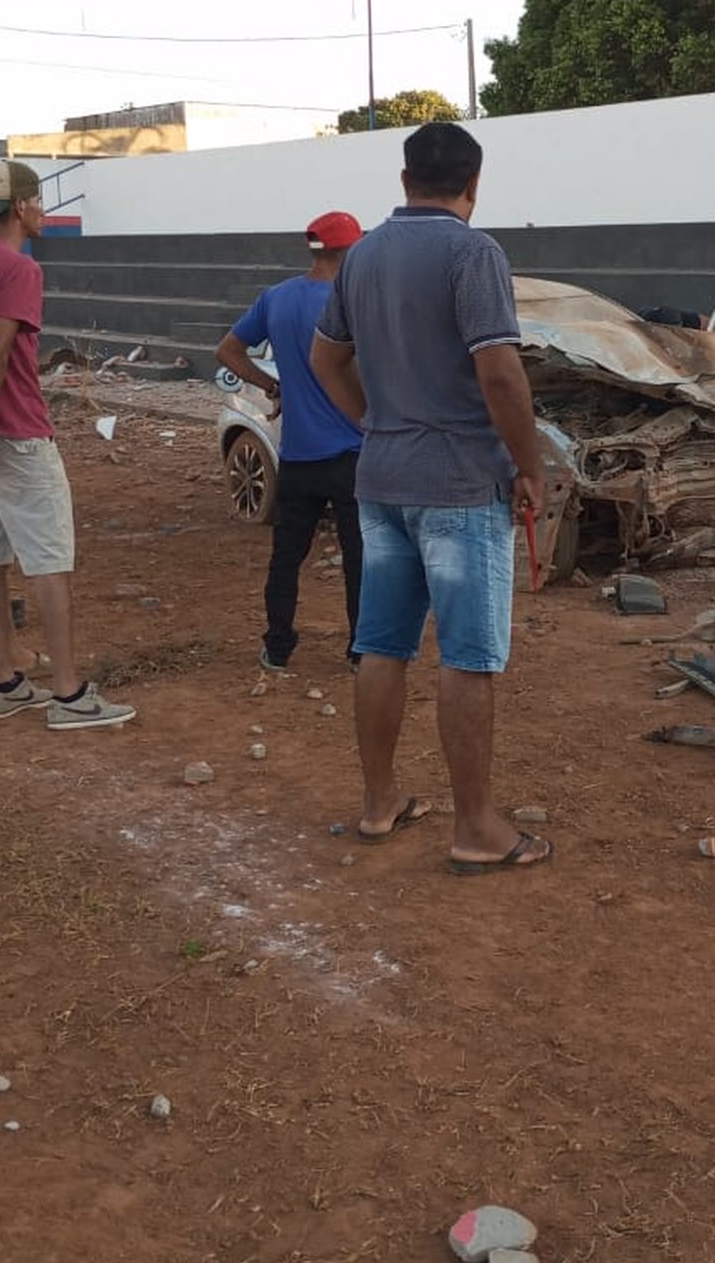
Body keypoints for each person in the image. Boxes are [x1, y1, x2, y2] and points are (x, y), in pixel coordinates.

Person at [311, 122, 551, 873]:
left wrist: (373, 422)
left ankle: (379, 803)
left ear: (406, 175)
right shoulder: (472, 252)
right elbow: (502, 375)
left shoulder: (364, 255)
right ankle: (476, 825)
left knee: (381, 644)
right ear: (472, 184)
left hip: (381, 478)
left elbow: (326, 359)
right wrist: (530, 465)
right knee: (468, 654)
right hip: (457, 483)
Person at [0, 159, 135, 729]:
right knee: (48, 560)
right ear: (19, 207)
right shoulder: (19, 269)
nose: (43, 211)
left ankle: (5, 681)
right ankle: (68, 693)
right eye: (37, 201)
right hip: (14, 430)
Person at [216, 211, 366, 673]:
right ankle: (361, 650)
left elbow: (228, 350)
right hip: (351, 452)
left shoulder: (276, 298)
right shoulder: (353, 303)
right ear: (349, 251)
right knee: (360, 558)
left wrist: (271, 385)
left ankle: (278, 645)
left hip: (297, 454)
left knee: (286, 558)